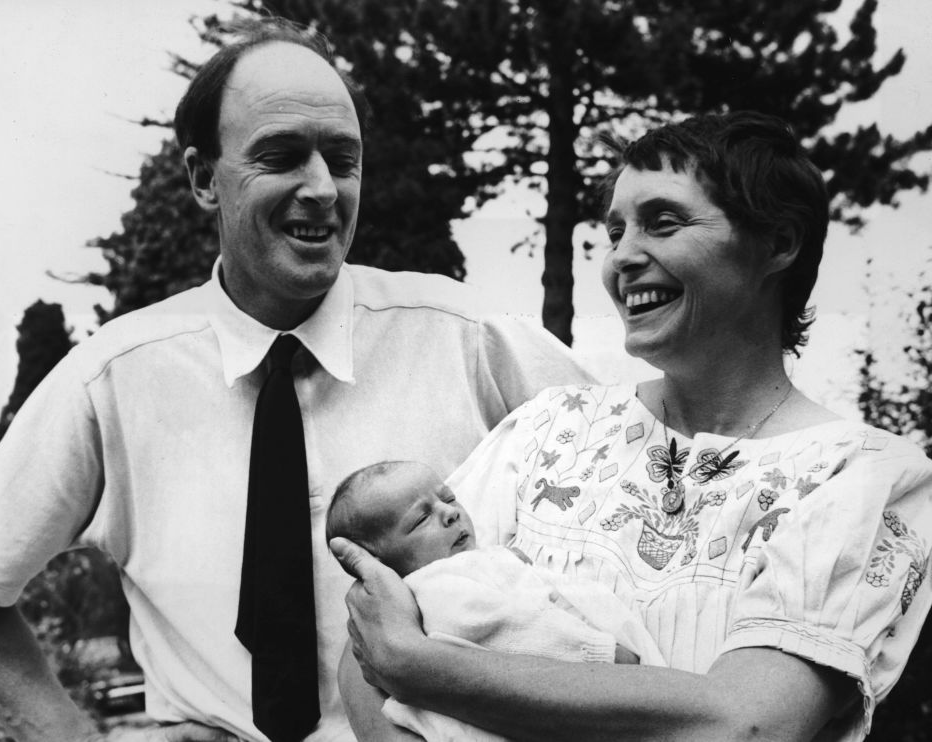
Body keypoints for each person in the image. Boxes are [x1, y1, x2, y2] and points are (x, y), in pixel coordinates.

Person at [0, 17, 593, 742]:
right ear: (204, 179)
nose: (324, 189)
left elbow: (653, 488)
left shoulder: (468, 338)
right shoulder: (113, 381)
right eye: (283, 156)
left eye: (343, 158)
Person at [332, 111, 932, 742]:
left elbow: (747, 723)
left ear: (779, 243)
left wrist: (425, 668)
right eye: (615, 231)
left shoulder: (860, 477)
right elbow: (371, 637)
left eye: (662, 223)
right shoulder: (550, 430)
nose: (621, 258)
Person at [326, 460, 663, 741]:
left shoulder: (458, 571)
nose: (450, 513)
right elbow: (514, 631)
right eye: (421, 518)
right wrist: (600, 655)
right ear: (379, 564)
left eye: (449, 498)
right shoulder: (437, 589)